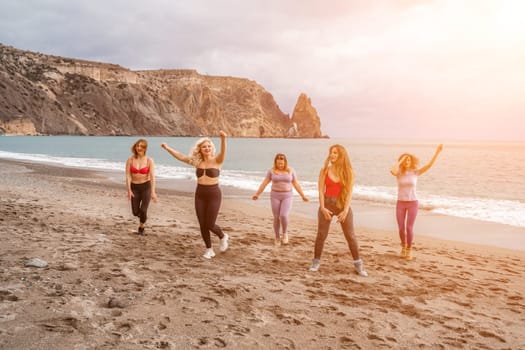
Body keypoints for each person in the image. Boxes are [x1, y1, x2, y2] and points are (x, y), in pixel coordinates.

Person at [161, 131, 229, 259]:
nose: (207, 148)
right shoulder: (197, 162)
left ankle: (222, 236)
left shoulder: (217, 160)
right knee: (202, 224)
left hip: (214, 194)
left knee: (210, 223)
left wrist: (223, 139)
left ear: (212, 148)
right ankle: (209, 249)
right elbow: (181, 157)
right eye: (204, 147)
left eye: (209, 146)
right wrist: (167, 148)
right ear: (200, 149)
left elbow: (224, 151)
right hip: (200, 194)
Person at [309, 144, 368, 276]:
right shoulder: (324, 170)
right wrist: (323, 208)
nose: (332, 155)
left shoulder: (349, 172)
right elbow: (320, 190)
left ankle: (358, 265)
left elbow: (349, 193)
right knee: (321, 235)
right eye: (331, 152)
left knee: (350, 236)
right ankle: (316, 262)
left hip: (342, 205)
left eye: (335, 153)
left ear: (341, 155)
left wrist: (346, 211)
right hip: (327, 204)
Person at [390, 144, 443, 260]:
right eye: (405, 160)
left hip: (413, 202)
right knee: (400, 228)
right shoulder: (398, 173)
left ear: (411, 161)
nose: (407, 161)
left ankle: (409, 250)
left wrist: (437, 152)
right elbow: (392, 170)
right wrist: (401, 161)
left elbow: (429, 165)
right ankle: (403, 246)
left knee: (409, 228)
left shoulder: (415, 172)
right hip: (400, 203)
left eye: (408, 159)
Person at [252, 153, 309, 246]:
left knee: (283, 215)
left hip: (287, 196)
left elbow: (296, 184)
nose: (280, 165)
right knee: (276, 217)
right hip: (275, 196)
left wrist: (303, 195)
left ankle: (285, 233)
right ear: (275, 163)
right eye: (278, 164)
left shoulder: (291, 170)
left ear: (285, 162)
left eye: (282, 163)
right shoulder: (271, 171)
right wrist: (257, 194)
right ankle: (277, 237)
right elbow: (265, 183)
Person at [126, 139, 158, 236]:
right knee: (135, 212)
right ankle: (144, 217)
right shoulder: (130, 160)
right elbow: (128, 175)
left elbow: (152, 177)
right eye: (137, 146)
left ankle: (141, 227)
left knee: (143, 210)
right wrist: (129, 190)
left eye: (141, 146)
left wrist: (153, 192)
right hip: (134, 187)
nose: (139, 148)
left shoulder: (149, 160)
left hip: (146, 187)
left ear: (145, 148)